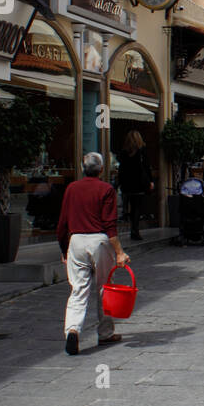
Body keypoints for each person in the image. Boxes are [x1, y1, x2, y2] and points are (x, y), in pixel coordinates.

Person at [57, 151, 130, 355]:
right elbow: (110, 225)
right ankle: (105, 332)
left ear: (83, 168)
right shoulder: (106, 189)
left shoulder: (71, 189)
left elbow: (62, 223)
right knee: (104, 287)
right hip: (99, 241)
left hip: (76, 241)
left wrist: (64, 249)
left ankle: (72, 329)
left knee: (78, 289)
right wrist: (119, 252)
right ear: (101, 169)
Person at [116, 130, 153, 241]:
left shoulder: (123, 153)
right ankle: (135, 230)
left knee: (130, 206)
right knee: (137, 207)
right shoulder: (141, 152)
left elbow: (121, 169)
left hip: (127, 183)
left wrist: (120, 182)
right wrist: (150, 181)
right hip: (139, 183)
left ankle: (131, 226)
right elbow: (146, 168)